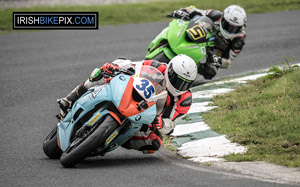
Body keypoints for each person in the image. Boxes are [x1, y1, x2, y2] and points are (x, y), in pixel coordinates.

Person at [57, 54, 198, 153]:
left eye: (186, 83)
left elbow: (171, 125)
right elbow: (132, 65)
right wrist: (115, 67)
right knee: (101, 73)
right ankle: (70, 99)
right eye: (178, 80)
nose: (181, 85)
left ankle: (112, 139)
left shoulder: (184, 99)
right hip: (131, 93)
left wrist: (162, 124)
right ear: (170, 71)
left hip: (147, 118)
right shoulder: (158, 66)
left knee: (154, 143)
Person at [168, 5, 247, 79]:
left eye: (234, 28)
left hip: (214, 51)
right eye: (227, 25)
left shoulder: (239, 40)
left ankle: (192, 68)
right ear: (223, 18)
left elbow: (228, 62)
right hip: (203, 35)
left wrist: (218, 60)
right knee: (182, 22)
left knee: (210, 72)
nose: (229, 30)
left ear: (240, 27)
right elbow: (195, 10)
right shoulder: (216, 15)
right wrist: (183, 11)